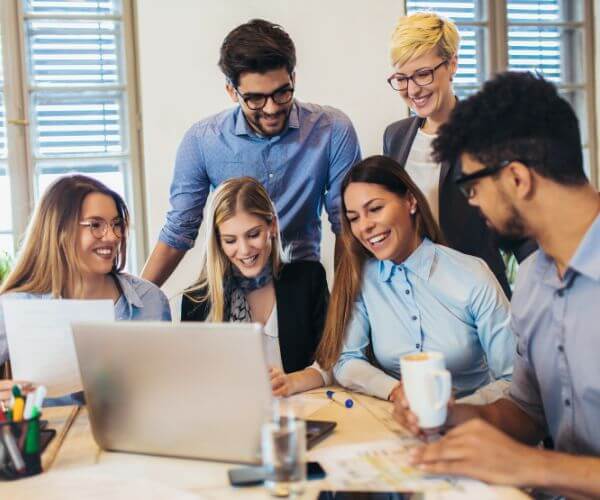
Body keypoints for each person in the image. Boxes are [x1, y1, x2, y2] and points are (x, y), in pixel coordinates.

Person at [395, 72, 600, 498]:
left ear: (517, 179)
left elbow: (533, 457)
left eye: (472, 187)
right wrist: (456, 419)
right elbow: (528, 412)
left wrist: (532, 465)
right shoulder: (532, 282)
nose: (471, 204)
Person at [142, 19, 361, 286]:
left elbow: (347, 225)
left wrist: (344, 309)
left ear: (293, 78)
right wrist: (136, 303)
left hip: (302, 286)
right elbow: (180, 228)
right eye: (255, 99)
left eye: (282, 93)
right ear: (231, 91)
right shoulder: (202, 140)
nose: (270, 109)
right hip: (230, 286)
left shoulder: (332, 130)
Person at [316, 155, 514, 402]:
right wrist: (396, 390)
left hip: (473, 425)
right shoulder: (363, 278)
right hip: (400, 423)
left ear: (410, 201)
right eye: (354, 218)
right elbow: (346, 361)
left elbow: (512, 379)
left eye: (375, 209)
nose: (364, 226)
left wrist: (455, 411)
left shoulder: (472, 275)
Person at [383, 11, 535, 297]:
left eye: (423, 74)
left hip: (477, 299)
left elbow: (524, 230)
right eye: (402, 78)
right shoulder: (396, 137)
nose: (413, 89)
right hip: (415, 298)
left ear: (452, 64)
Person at [0, 175, 171, 400]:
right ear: (60, 231)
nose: (112, 236)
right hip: (57, 434)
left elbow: (167, 390)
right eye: (95, 225)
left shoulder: (151, 300)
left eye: (116, 224)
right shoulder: (15, 306)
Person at [181, 177, 329, 397]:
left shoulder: (308, 279)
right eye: (230, 240)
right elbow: (192, 382)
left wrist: (292, 382)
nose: (244, 250)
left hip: (302, 416)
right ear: (218, 243)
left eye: (253, 235)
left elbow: (333, 361)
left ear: (272, 226)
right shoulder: (197, 301)